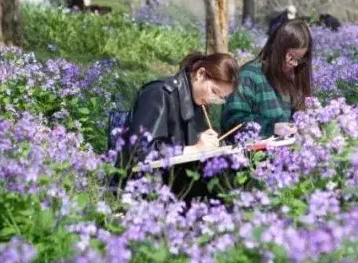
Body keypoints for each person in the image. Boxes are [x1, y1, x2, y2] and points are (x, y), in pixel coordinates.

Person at [116, 52, 240, 198]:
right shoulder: (159, 93)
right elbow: (141, 151)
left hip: (176, 185)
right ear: (200, 74)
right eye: (214, 91)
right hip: (143, 188)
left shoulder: (198, 102)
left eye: (220, 97)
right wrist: (194, 149)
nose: (212, 99)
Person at [221, 19, 313, 140]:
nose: (294, 64)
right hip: (250, 151)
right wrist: (271, 128)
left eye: (298, 60)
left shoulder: (290, 80)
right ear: (277, 48)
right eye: (291, 57)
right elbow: (232, 121)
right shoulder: (249, 75)